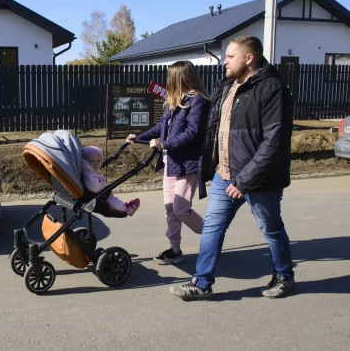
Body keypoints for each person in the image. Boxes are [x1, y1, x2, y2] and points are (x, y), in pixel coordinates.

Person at [169, 36, 295, 300]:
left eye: (230, 56)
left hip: (260, 180)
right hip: (223, 175)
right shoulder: (226, 87)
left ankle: (284, 276)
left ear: (249, 58)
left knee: (271, 229)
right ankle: (202, 283)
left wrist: (245, 180)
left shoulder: (272, 89)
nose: (224, 61)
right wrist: (211, 168)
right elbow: (215, 131)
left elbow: (274, 142)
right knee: (212, 227)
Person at [126, 61, 211, 265]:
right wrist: (139, 137)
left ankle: (212, 235)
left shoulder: (198, 101)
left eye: (171, 76)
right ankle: (175, 250)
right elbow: (161, 126)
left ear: (181, 77)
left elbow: (193, 133)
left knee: (181, 209)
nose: (168, 80)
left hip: (187, 163)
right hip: (171, 162)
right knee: (170, 209)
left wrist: (163, 144)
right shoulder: (174, 99)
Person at [81, 146, 140, 216]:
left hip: (99, 193)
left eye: (98, 161)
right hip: (99, 195)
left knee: (114, 200)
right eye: (92, 161)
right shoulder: (89, 175)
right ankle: (127, 209)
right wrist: (105, 185)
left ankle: (125, 207)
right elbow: (95, 187)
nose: (95, 163)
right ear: (85, 162)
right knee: (114, 201)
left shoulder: (89, 171)